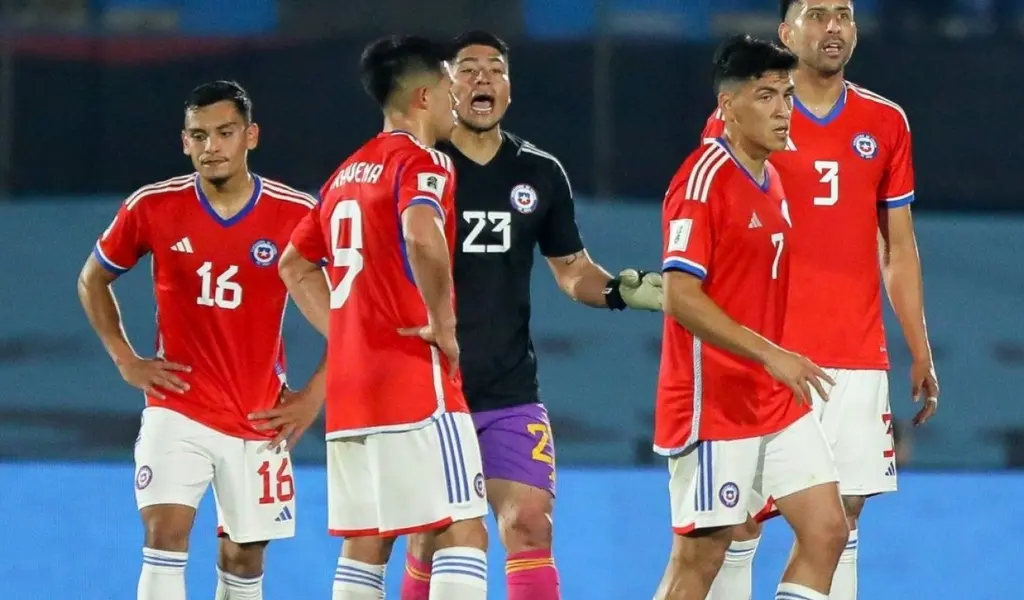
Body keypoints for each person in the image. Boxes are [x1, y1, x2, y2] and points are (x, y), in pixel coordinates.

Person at [399, 29, 664, 600]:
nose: (482, 79)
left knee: (530, 525)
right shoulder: (418, 170)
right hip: (431, 389)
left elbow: (572, 270)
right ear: (445, 88)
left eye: (494, 68)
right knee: (432, 536)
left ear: (510, 89)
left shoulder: (540, 173)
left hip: (510, 389)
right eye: (467, 69)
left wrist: (621, 290)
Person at [700, 3, 941, 599]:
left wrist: (919, 347)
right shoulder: (744, 119)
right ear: (786, 32)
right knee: (739, 521)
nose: (832, 27)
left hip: (854, 354)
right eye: (816, 15)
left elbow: (899, 248)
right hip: (766, 354)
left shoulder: (885, 122)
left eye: (843, 15)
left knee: (843, 517)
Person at [76, 80, 324, 600]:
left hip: (259, 416)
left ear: (250, 136)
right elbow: (92, 278)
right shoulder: (153, 206)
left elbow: (353, 311)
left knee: (245, 554)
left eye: (224, 133)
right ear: (184, 142)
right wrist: (126, 360)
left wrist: (313, 397)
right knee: (164, 533)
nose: (211, 146)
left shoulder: (297, 213)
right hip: (177, 408)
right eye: (199, 135)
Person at [279, 35, 489, 600]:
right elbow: (422, 235)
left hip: (354, 389)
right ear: (423, 95)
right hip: (411, 376)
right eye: (450, 86)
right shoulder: (423, 163)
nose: (455, 98)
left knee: (369, 539)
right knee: (461, 527)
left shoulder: (346, 173)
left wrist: (349, 334)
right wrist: (443, 323)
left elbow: (295, 264)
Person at [653, 34, 848, 600]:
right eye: (766, 96)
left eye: (787, 95)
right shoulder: (701, 182)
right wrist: (770, 353)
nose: (784, 110)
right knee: (701, 557)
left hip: (774, 395)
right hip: (715, 401)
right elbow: (680, 296)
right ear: (728, 107)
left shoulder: (773, 177)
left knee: (826, 529)